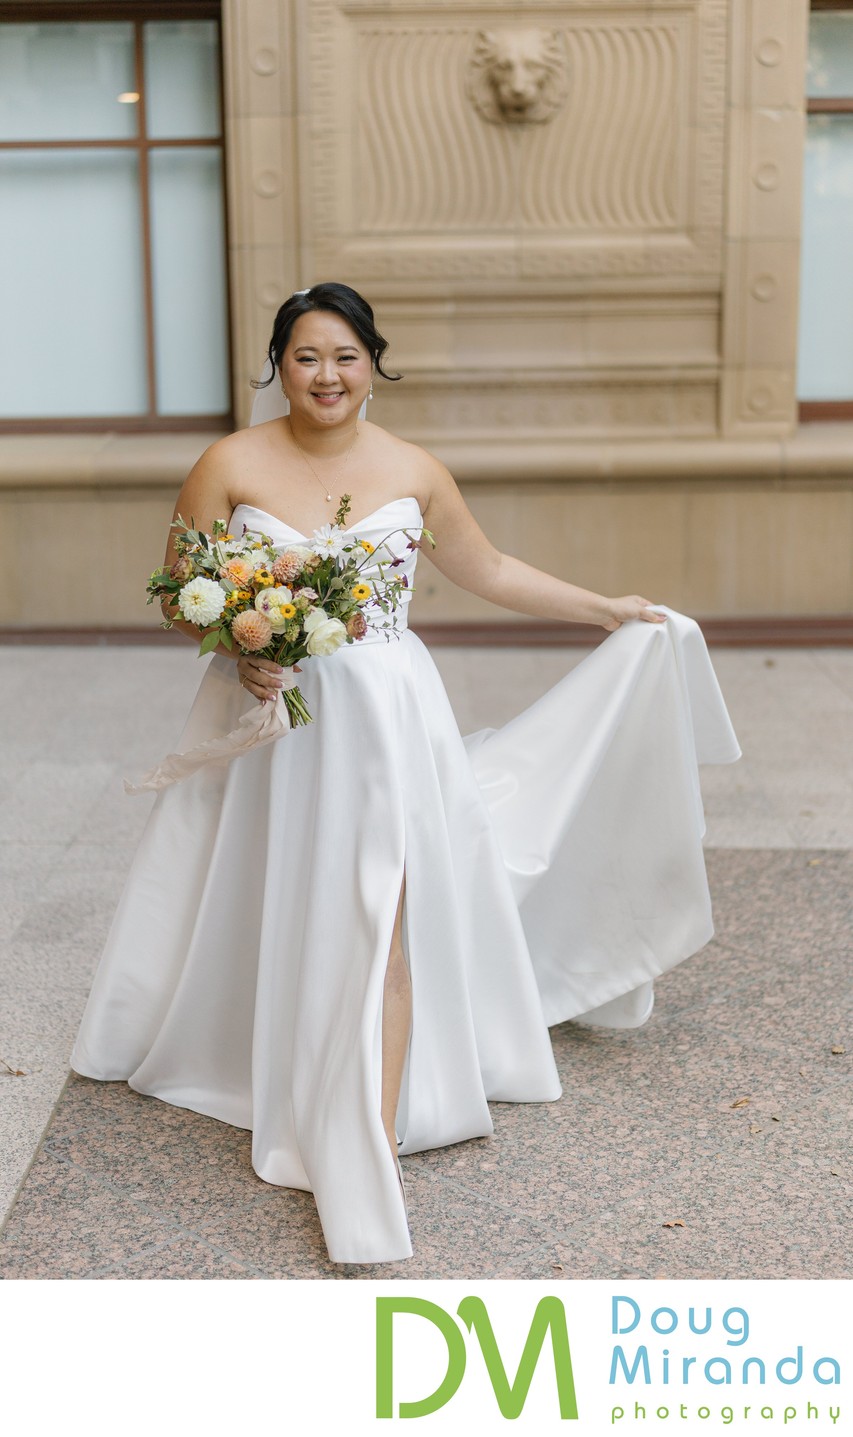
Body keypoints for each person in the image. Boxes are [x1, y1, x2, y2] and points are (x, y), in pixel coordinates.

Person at [71, 282, 740, 1265]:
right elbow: (183, 589)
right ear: (278, 366)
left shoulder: (414, 471)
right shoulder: (227, 462)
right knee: (282, 891)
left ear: (371, 363)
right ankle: (274, 1055)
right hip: (274, 714)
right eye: (305, 357)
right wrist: (238, 642)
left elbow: (490, 568)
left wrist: (604, 609)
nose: (326, 375)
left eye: (344, 355)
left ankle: (368, 1135)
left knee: (382, 905)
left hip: (386, 716)